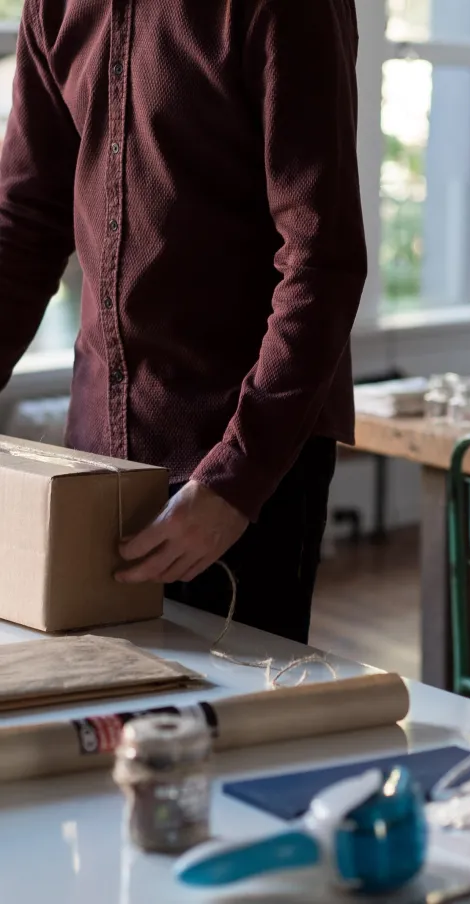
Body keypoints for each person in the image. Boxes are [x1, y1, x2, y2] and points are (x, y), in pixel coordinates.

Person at [0, 0, 366, 643]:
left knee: (232, 733)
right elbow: (24, 224)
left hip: (240, 465)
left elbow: (322, 260)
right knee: (100, 726)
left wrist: (235, 480)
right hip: (94, 469)